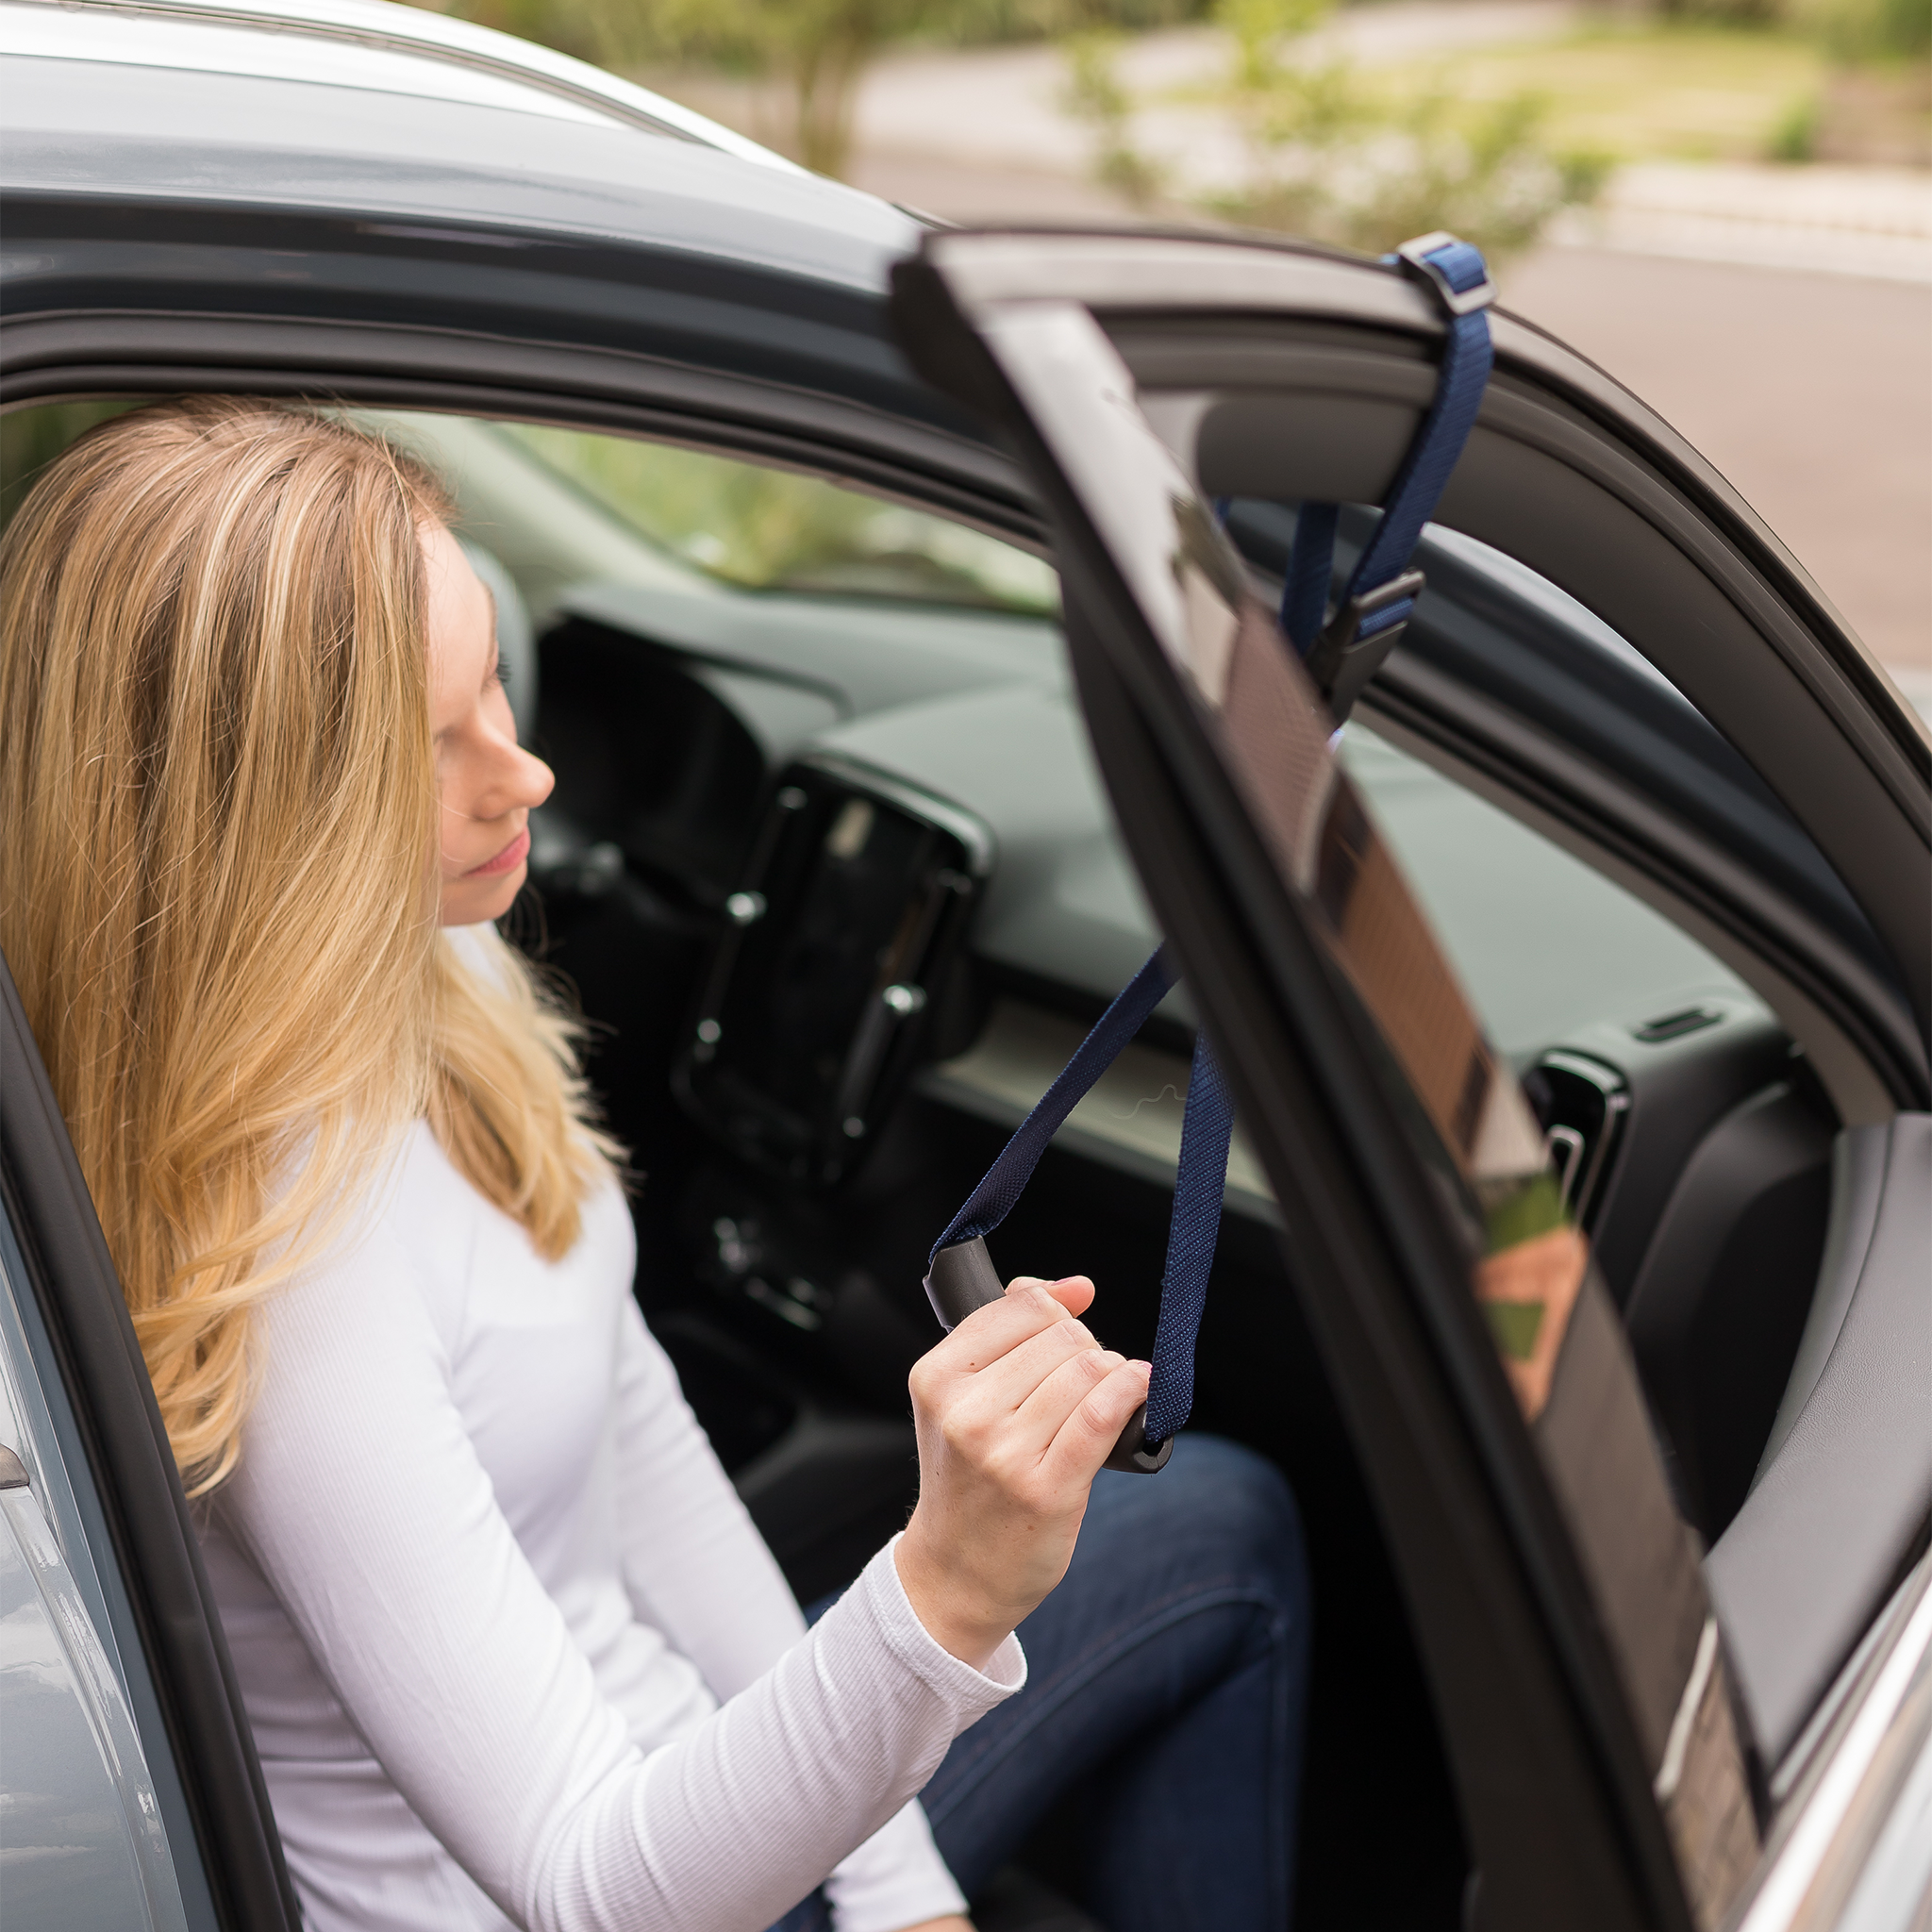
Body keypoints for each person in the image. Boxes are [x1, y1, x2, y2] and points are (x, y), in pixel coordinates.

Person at [0, 398, 1309, 1932]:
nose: (523, 776)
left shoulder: (434, 968)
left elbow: (649, 1460)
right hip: (625, 1884)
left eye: (494, 680)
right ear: (246, 826)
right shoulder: (292, 1274)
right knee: (1224, 1537)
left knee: (1214, 1507)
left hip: (688, 1780)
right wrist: (949, 1586)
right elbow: (592, 1887)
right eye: (428, 749)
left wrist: (902, 1896)